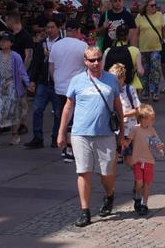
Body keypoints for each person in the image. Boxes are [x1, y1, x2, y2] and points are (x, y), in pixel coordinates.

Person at [57, 46, 124, 227]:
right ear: (85, 61)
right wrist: (61, 132)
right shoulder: (77, 80)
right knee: (83, 172)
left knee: (106, 174)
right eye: (91, 60)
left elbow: (118, 108)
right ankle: (85, 211)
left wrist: (122, 133)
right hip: (81, 133)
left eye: (98, 59)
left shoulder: (111, 80)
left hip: (106, 133)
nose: (95, 63)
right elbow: (68, 107)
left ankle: (109, 195)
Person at [49, 19, 87, 161]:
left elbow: (51, 68)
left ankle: (64, 146)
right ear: (77, 30)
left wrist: (57, 80)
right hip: (77, 88)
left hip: (59, 87)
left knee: (62, 117)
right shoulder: (83, 46)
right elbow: (89, 65)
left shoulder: (56, 45)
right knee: (74, 119)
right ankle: (70, 150)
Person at [25, 19, 62, 148]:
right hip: (42, 81)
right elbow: (36, 62)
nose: (49, 30)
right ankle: (37, 137)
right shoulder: (42, 44)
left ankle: (55, 138)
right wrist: (32, 80)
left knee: (58, 112)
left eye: (52, 27)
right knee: (37, 109)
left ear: (58, 28)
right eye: (47, 27)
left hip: (56, 82)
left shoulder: (61, 44)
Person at [125, 103, 163, 216]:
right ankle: (137, 195)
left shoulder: (152, 130)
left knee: (147, 183)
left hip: (149, 161)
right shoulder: (135, 129)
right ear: (141, 119)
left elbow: (157, 143)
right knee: (139, 183)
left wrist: (160, 147)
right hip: (137, 160)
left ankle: (144, 204)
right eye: (148, 119)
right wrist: (124, 144)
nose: (150, 122)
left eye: (152, 120)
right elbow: (129, 142)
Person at [0, 32, 30, 145]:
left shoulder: (15, 56)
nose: (3, 43)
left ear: (11, 43)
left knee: (14, 112)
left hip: (12, 87)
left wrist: (28, 83)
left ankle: (15, 135)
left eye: (5, 41)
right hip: (0, 87)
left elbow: (21, 71)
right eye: (1, 40)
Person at [134, 0, 165, 102]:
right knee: (144, 71)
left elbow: (164, 30)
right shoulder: (140, 17)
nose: (154, 7)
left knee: (156, 69)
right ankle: (145, 91)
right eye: (152, 5)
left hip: (156, 48)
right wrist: (135, 48)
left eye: (155, 5)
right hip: (143, 48)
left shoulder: (159, 15)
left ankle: (154, 91)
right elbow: (136, 33)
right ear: (146, 7)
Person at [107, 63, 140, 166]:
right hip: (114, 131)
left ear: (123, 78)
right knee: (113, 159)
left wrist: (123, 115)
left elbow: (138, 109)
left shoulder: (129, 89)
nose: (115, 83)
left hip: (128, 130)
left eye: (118, 80)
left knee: (130, 160)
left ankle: (139, 179)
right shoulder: (109, 90)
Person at [103, 25, 145, 93]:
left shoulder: (108, 50)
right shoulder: (135, 50)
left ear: (116, 35)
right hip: (132, 86)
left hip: (112, 87)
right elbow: (140, 71)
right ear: (128, 35)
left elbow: (102, 70)